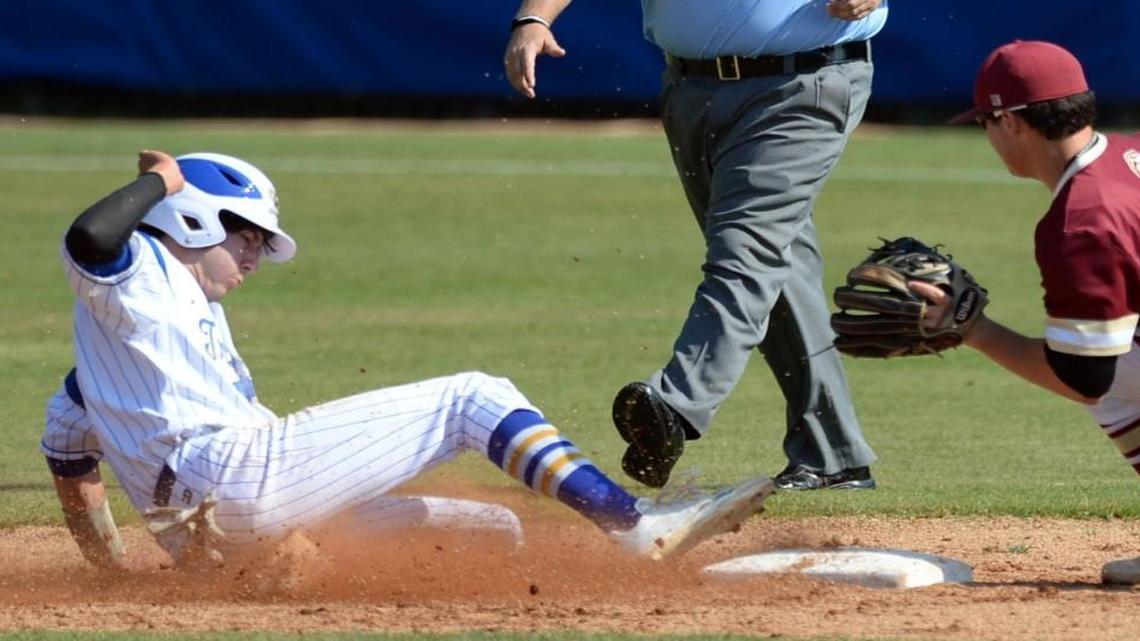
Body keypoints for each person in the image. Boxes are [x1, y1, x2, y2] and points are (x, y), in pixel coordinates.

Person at [43, 150, 775, 569]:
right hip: (234, 476)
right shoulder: (141, 268)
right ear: (192, 215)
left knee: (491, 534)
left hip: (213, 532)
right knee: (472, 397)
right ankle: (633, 525)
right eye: (248, 236)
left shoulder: (121, 354)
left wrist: (114, 575)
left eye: (261, 243)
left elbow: (67, 454)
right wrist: (162, 183)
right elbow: (89, 239)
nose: (256, 254)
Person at [503, 1, 885, 491]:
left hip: (803, 81)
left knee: (745, 252)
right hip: (690, 89)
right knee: (775, 267)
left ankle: (678, 404)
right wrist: (534, 18)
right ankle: (835, 456)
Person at [929, 40, 1140, 584]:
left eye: (986, 123)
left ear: (1012, 121)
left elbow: (1083, 378)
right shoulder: (1127, 153)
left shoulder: (1081, 222)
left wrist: (974, 330)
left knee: (1105, 369)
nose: (989, 137)